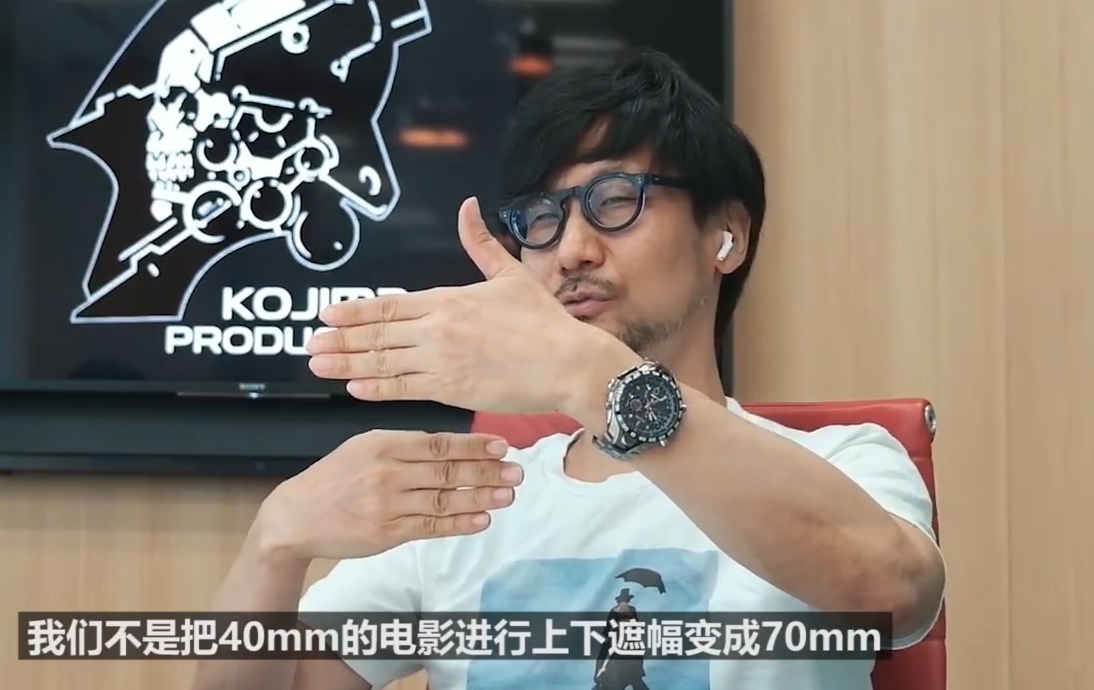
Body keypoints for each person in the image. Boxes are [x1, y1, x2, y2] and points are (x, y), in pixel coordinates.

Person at [192, 48, 946, 690]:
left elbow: (892, 596)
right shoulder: (470, 499)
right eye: (543, 221)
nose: (572, 252)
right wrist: (275, 542)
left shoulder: (845, 461)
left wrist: (592, 377)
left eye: (616, 201)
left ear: (727, 234)